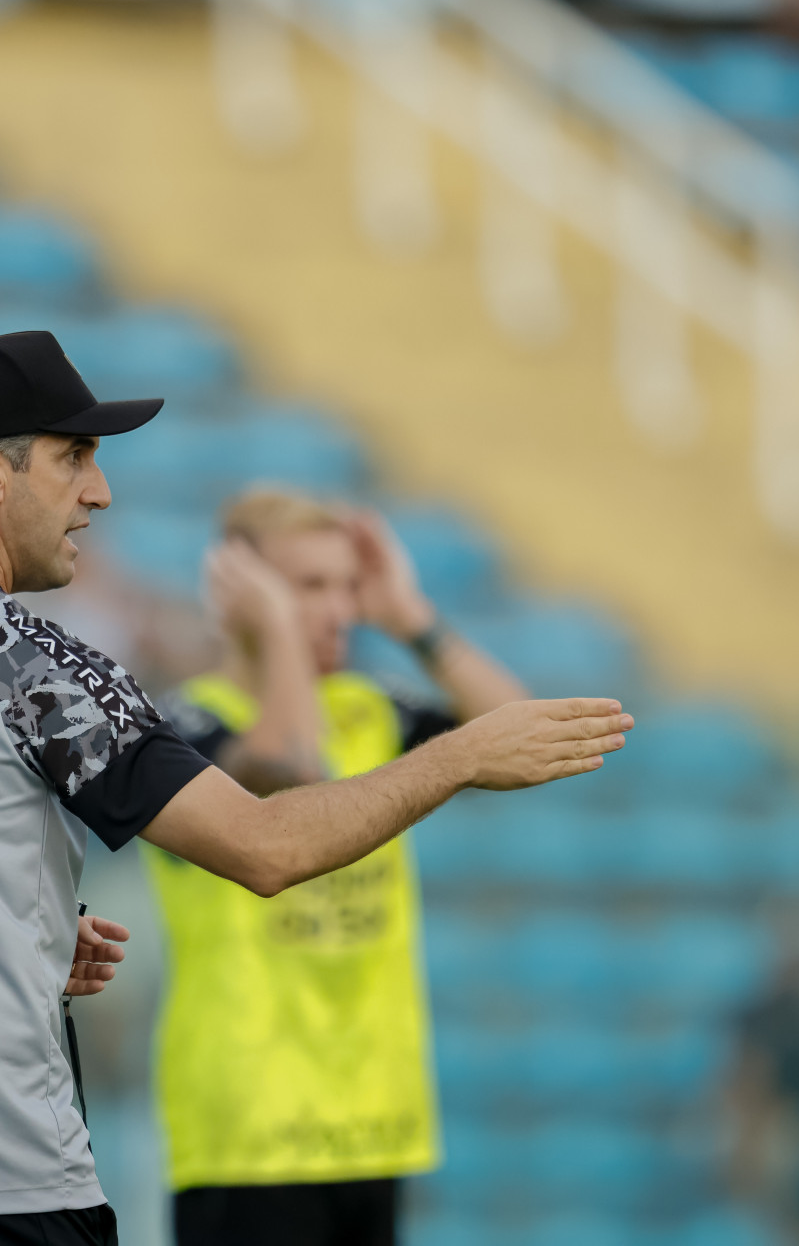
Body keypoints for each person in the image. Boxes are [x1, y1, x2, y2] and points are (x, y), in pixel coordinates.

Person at [0, 331, 634, 1246]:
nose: (98, 493)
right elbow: (266, 850)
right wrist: (457, 757)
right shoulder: (29, 659)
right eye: (75, 459)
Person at [144, 489, 528, 1246]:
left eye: (345, 586)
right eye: (305, 586)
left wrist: (410, 617)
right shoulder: (178, 726)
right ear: (238, 593)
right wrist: (281, 633)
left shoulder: (372, 707)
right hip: (250, 1135)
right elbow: (292, 763)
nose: (337, 610)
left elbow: (510, 734)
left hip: (373, 1123)